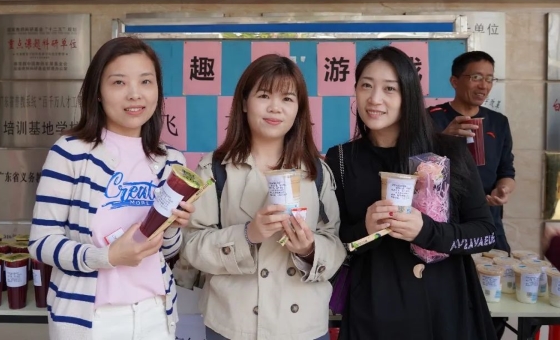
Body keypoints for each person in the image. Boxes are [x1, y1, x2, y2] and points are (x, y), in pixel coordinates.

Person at [325, 46, 497, 340]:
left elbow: (485, 233)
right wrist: (366, 230)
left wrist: (426, 231)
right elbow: (338, 244)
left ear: (408, 95)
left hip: (446, 310)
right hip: (375, 312)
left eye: (389, 89)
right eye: (366, 85)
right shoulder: (341, 158)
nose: (374, 99)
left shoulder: (448, 152)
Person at [28, 37, 194, 340]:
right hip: (91, 320)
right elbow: (41, 243)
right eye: (119, 82)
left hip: (155, 314)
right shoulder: (70, 152)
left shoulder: (170, 161)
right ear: (98, 92)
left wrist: (172, 227)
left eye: (146, 81)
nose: (135, 94)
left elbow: (167, 251)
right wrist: (108, 257)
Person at [181, 54, 346, 340]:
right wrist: (248, 235)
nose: (275, 108)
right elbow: (192, 245)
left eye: (287, 99)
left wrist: (308, 250)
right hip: (233, 326)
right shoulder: (214, 168)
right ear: (245, 103)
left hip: (303, 328)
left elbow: (334, 243)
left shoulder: (316, 171)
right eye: (264, 95)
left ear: (298, 109)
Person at [428, 51, 515, 254]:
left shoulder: (499, 122)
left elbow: (507, 172)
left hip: (488, 219)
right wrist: (443, 139)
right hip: (444, 221)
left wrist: (503, 190)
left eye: (489, 79)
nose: (484, 86)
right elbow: (414, 168)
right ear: (454, 81)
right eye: (476, 77)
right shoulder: (430, 119)